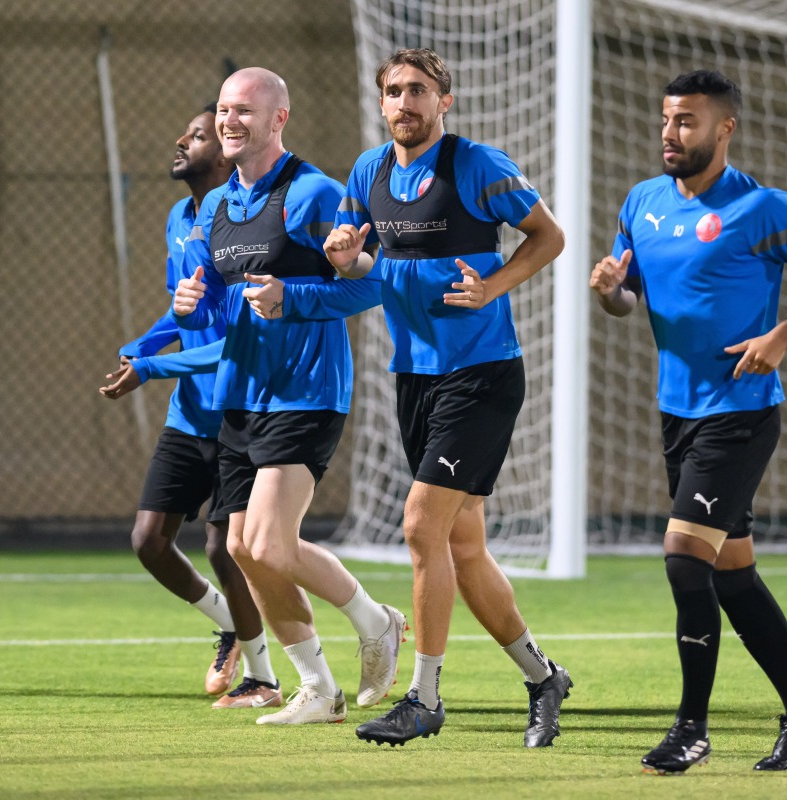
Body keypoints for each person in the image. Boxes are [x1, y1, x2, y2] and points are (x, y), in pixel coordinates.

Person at [590, 70, 787, 774]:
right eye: (666, 119)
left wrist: (781, 336)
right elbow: (628, 298)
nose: (670, 133)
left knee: (685, 560)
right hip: (676, 413)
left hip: (739, 414)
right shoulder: (642, 202)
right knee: (733, 577)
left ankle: (691, 729)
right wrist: (612, 292)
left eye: (686, 121)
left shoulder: (762, 207)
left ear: (724, 128)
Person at [324, 48, 573, 748]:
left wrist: (493, 287)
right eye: (394, 91)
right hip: (415, 377)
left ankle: (424, 698)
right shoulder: (368, 172)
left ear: (444, 102)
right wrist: (345, 258)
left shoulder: (477, 165)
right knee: (463, 548)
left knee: (418, 525)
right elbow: (368, 263)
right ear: (381, 103)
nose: (404, 102)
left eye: (419, 90)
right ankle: (543, 677)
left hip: (482, 373)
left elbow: (549, 236)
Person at [171, 67, 406, 726]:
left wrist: (292, 296)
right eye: (224, 109)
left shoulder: (314, 193)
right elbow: (219, 300)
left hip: (306, 390)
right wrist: (192, 304)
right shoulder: (216, 206)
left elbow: (374, 283)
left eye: (244, 110)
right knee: (241, 550)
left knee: (271, 545)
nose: (229, 121)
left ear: (280, 118)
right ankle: (319, 690)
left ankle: (376, 622)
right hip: (241, 393)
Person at [99, 105, 281, 709]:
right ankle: (231, 622)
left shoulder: (245, 224)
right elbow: (184, 312)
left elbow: (233, 342)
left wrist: (151, 368)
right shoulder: (180, 217)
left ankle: (268, 673)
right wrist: (142, 348)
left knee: (228, 548)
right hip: (189, 411)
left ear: (227, 155)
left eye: (198, 136)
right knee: (149, 541)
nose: (182, 140)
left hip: (239, 412)